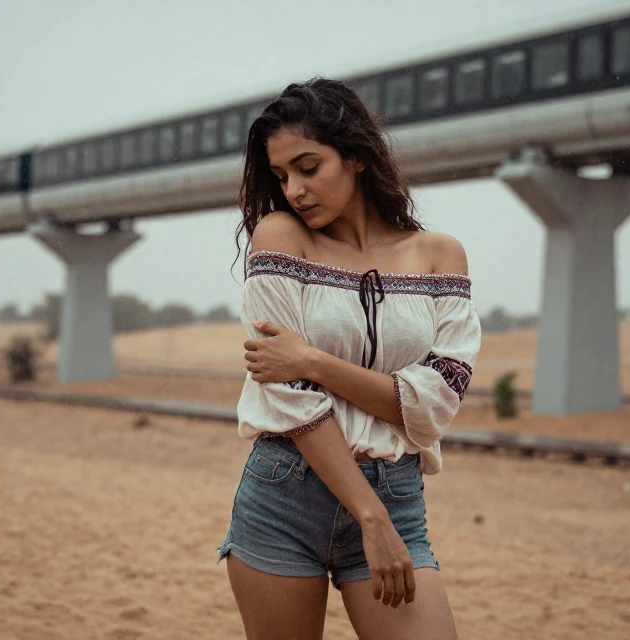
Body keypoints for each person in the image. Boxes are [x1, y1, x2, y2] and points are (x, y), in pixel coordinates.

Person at [216, 77, 481, 640]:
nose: (294, 190)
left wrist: (313, 361)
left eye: (309, 167)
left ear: (357, 157)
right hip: (284, 493)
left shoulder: (439, 255)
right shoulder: (281, 237)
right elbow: (284, 394)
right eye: (282, 175)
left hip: (397, 493)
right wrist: (368, 515)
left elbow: (436, 402)